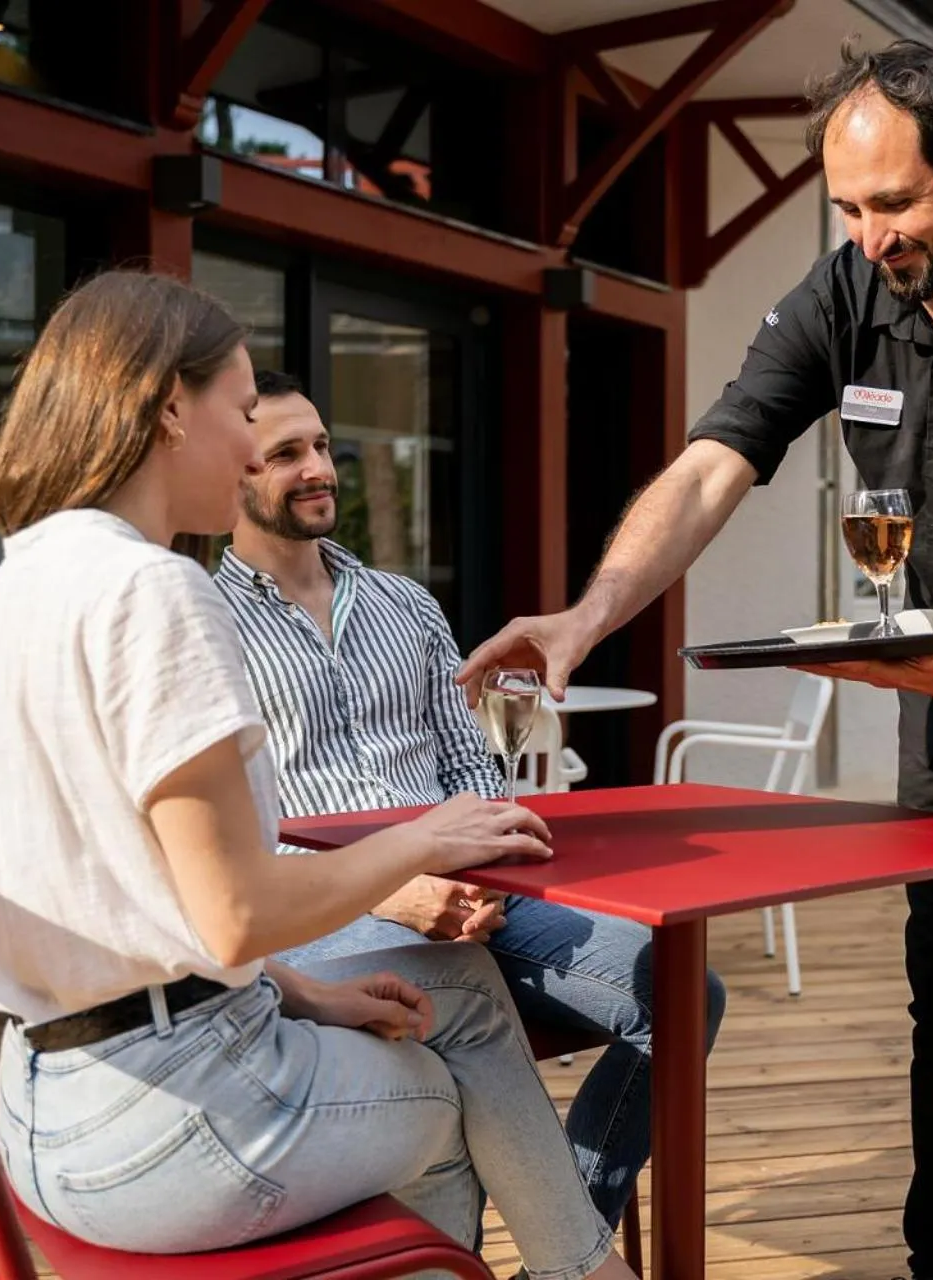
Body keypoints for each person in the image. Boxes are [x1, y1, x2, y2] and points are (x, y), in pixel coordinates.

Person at [460, 40, 933, 1280]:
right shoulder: (849, 292)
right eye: (848, 208)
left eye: (895, 204)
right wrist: (586, 618)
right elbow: (713, 464)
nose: (870, 236)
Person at [0, 270, 638, 1279]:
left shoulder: (11, 585)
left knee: (455, 1010)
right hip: (175, 1119)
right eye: (240, 414)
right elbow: (231, 911)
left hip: (38, 1108)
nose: (247, 449)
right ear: (170, 408)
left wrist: (310, 993)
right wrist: (419, 842)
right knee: (453, 1070)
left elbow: (141, 895)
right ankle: (585, 1271)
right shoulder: (156, 588)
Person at [212, 368, 727, 1235]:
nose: (319, 469)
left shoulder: (404, 604)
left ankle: (574, 1217)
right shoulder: (204, 622)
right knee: (453, 1007)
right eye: (286, 454)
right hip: (324, 917)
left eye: (325, 447)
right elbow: (232, 831)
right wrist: (387, 885)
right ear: (235, 471)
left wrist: (483, 873)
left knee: (681, 992)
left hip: (470, 896)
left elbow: (471, 764)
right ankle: (553, 1245)